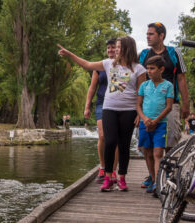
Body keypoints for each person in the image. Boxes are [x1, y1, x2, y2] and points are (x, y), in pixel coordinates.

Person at [58, 36, 146, 192]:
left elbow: (141, 94)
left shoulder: (139, 69)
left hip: (129, 111)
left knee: (124, 145)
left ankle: (122, 178)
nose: (116, 49)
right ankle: (108, 177)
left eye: (119, 47)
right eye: (115, 47)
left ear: (127, 48)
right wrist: (69, 54)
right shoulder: (108, 64)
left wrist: (140, 114)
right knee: (110, 141)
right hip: (109, 109)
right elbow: (86, 64)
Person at [139, 22, 190, 152]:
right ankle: (153, 173)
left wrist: (186, 104)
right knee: (147, 145)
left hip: (171, 104)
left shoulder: (174, 52)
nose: (148, 37)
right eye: (147, 34)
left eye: (151, 34)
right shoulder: (143, 55)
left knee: (171, 140)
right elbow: (138, 82)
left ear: (161, 35)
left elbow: (181, 79)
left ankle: (167, 172)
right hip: (148, 106)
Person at [136, 56, 174, 194]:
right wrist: (145, 119)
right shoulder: (144, 86)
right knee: (147, 152)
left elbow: (169, 107)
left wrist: (155, 121)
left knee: (158, 152)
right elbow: (138, 106)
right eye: (147, 68)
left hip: (160, 124)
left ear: (161, 69)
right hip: (144, 123)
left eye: (152, 68)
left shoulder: (168, 85)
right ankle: (152, 178)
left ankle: (159, 183)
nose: (149, 71)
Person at [84, 38, 118, 183]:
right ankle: (103, 167)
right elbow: (92, 88)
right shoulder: (100, 66)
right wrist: (87, 106)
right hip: (101, 103)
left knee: (115, 138)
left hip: (117, 104)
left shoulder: (122, 66)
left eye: (113, 47)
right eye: (108, 48)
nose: (110, 50)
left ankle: (114, 171)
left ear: (118, 49)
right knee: (103, 136)